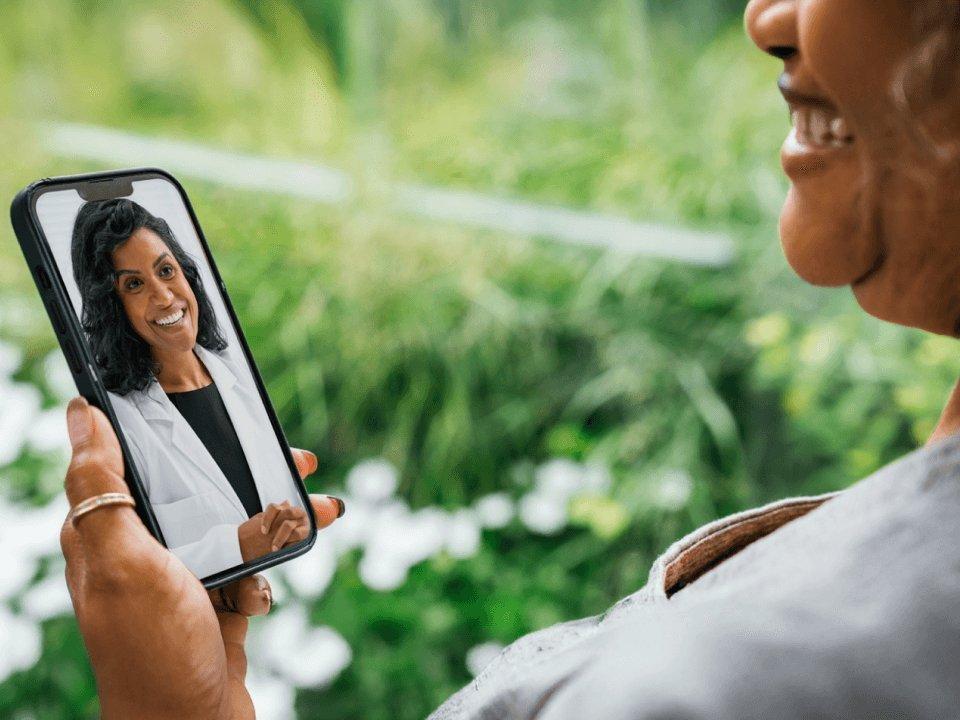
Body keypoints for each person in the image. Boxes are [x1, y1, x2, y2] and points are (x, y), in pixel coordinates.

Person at [56, 1, 960, 718]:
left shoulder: (772, 669)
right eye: (133, 284)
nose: (765, 17)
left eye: (168, 269)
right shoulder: (885, 572)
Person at [71, 199, 316, 578]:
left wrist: (295, 523)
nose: (165, 297)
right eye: (134, 284)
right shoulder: (119, 421)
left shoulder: (238, 370)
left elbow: (284, 503)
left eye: (166, 271)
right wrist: (237, 546)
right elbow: (134, 566)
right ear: (112, 307)